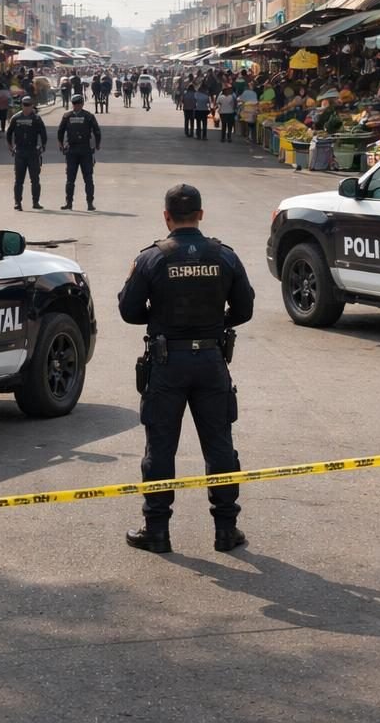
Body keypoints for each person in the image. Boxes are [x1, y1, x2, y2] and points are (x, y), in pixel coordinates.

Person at [118, 184, 255, 554]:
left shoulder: (152, 258)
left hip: (167, 363)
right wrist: (214, 321)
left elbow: (129, 311)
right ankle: (226, 530)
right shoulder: (224, 256)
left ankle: (157, 531)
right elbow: (244, 310)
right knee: (220, 447)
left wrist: (160, 318)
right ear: (201, 214)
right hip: (212, 361)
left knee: (160, 449)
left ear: (166, 216)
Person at [57, 93, 101, 211]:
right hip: (71, 150)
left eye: (78, 104)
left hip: (85, 150)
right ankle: (69, 203)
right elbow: (60, 131)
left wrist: (97, 144)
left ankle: (90, 203)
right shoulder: (67, 116)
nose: (76, 106)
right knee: (70, 179)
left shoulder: (89, 116)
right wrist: (61, 144)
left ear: (82, 104)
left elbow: (97, 131)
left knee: (88, 178)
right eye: (74, 104)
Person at [6, 95, 47, 211]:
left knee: (35, 179)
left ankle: (36, 202)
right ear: (22, 105)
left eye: (29, 105)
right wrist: (10, 146)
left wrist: (42, 146)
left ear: (32, 105)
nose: (27, 107)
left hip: (33, 152)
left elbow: (43, 134)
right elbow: (9, 133)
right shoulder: (16, 118)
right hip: (20, 152)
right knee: (19, 180)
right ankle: (17, 202)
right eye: (25, 105)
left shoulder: (37, 119)